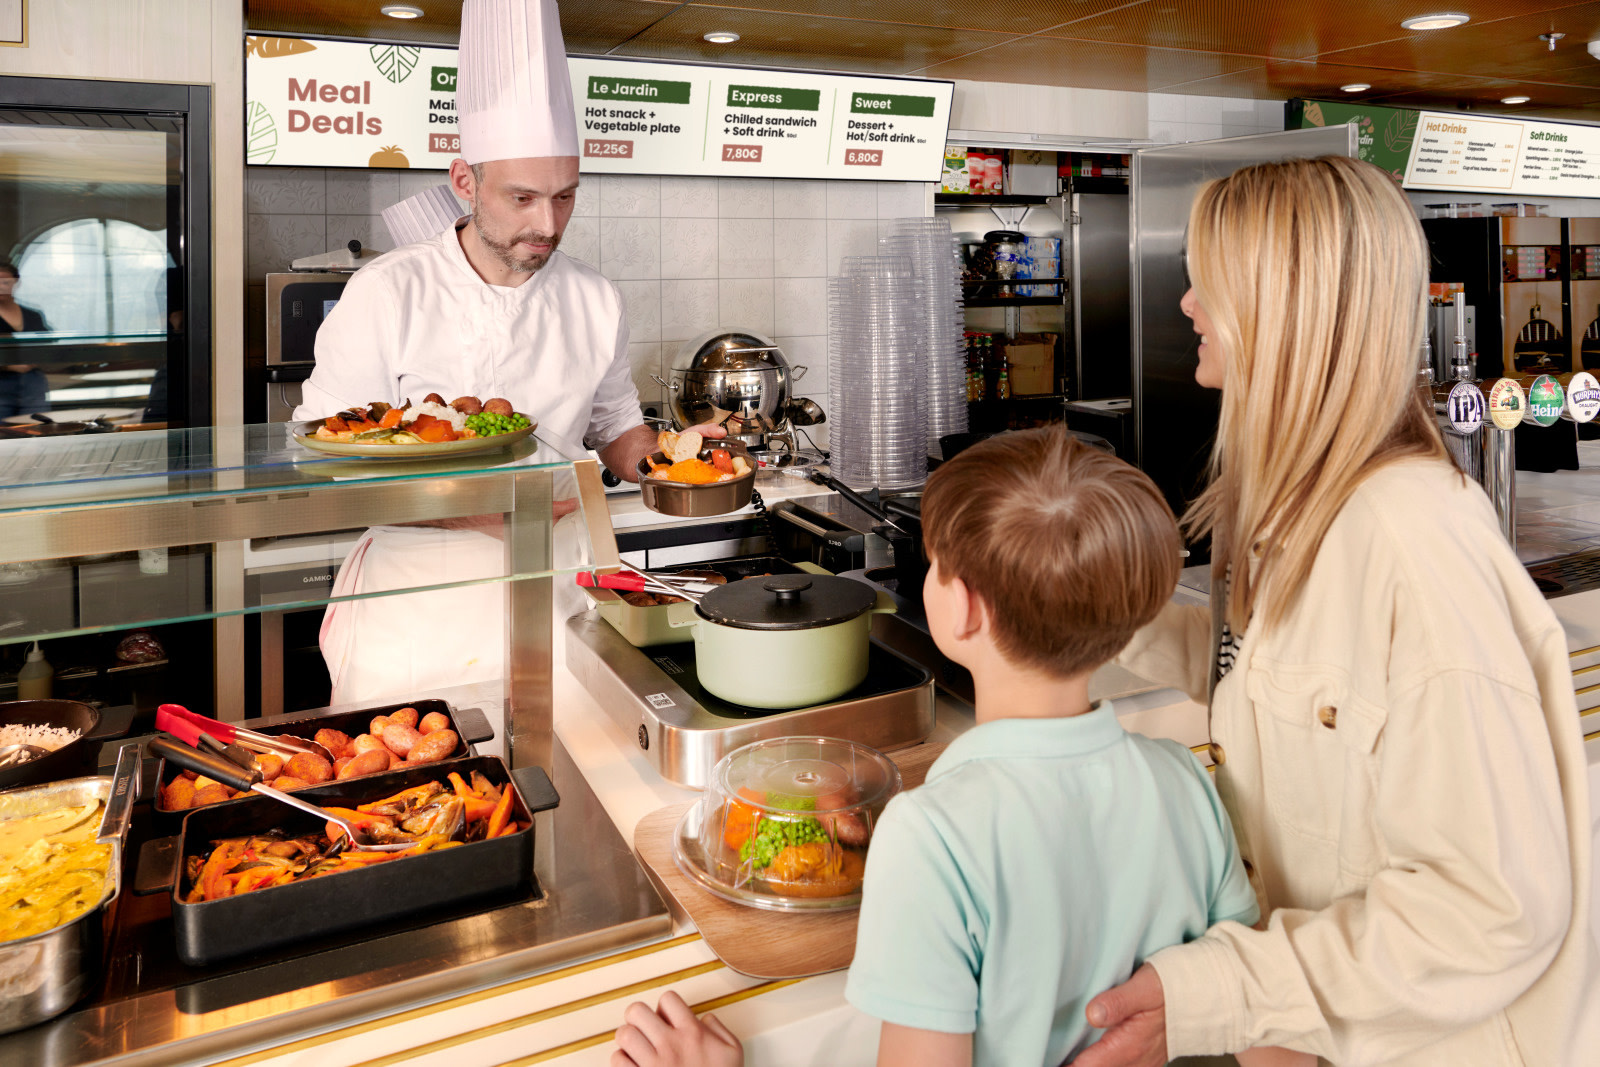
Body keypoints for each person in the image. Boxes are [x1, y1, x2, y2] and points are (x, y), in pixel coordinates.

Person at [1075, 156, 1600, 1067]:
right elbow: (1265, 665)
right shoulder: (1294, 507)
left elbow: (1491, 909)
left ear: (1287, 309)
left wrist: (1221, 993)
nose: (1190, 302)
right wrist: (1084, 612)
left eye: (1212, 281)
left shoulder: (1412, 540)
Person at [616, 427, 1279, 1067]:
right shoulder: (1185, 783)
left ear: (962, 608)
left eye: (933, 566)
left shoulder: (931, 835)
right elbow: (1274, 1032)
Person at [298, 0, 718, 704]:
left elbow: (616, 430)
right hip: (417, 610)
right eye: (523, 197)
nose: (546, 223)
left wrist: (675, 458)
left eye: (564, 197)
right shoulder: (385, 292)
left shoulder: (594, 297)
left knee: (572, 784)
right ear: (465, 182)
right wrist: (502, 512)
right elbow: (333, 466)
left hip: (556, 596)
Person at [0, 259, 51, 419]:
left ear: (16, 283)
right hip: (1, 384)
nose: (1, 287)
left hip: (32, 383)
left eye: (6, 282)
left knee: (37, 429)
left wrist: (33, 362)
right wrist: (8, 367)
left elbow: (47, 345)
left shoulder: (33, 315)